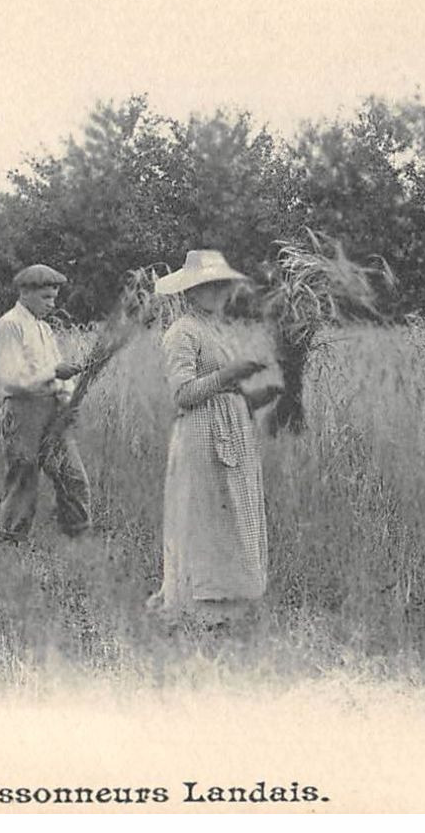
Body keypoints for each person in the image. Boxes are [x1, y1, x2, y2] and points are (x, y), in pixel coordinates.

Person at [146, 250, 282, 628]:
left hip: (231, 431)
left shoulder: (218, 329)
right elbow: (183, 394)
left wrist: (257, 396)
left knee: (233, 513)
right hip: (201, 434)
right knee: (205, 514)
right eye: (208, 286)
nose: (218, 292)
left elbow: (228, 390)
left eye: (221, 285)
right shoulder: (182, 332)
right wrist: (229, 375)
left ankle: (230, 601)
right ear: (191, 291)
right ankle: (200, 606)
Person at [0, 263, 91, 542]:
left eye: (55, 297)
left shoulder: (44, 329)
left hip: (53, 410)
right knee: (24, 476)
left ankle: (78, 536)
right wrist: (53, 373)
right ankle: (11, 538)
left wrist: (68, 398)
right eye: (46, 297)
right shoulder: (9, 325)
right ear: (25, 292)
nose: (52, 303)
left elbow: (58, 369)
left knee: (72, 473)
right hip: (23, 411)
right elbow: (11, 379)